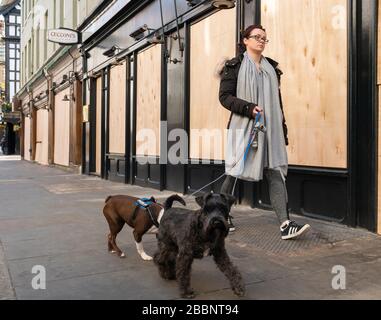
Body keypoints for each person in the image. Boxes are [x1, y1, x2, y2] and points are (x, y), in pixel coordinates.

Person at [219, 24, 310, 240]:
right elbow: (224, 97)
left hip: (271, 129)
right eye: (256, 37)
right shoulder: (234, 66)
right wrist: (249, 108)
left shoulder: (272, 69)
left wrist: (282, 129)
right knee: (233, 171)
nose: (261, 41)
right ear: (245, 41)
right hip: (242, 127)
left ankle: (285, 224)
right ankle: (221, 215)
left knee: (275, 170)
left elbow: (277, 104)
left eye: (264, 38)